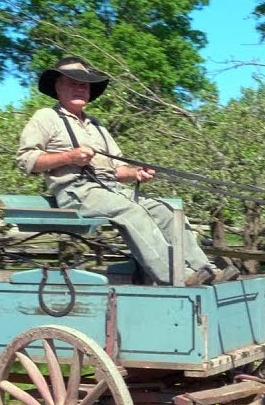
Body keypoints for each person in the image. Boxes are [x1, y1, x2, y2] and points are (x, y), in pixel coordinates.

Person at [15, 56, 235, 286]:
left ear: (89, 91)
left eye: (83, 84)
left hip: (111, 190)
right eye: (72, 83)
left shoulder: (96, 125)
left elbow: (115, 170)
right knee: (131, 211)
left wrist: (136, 173)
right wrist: (69, 157)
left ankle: (205, 271)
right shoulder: (46, 117)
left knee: (167, 210)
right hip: (76, 192)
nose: (79, 88)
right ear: (58, 87)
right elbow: (26, 160)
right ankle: (176, 277)